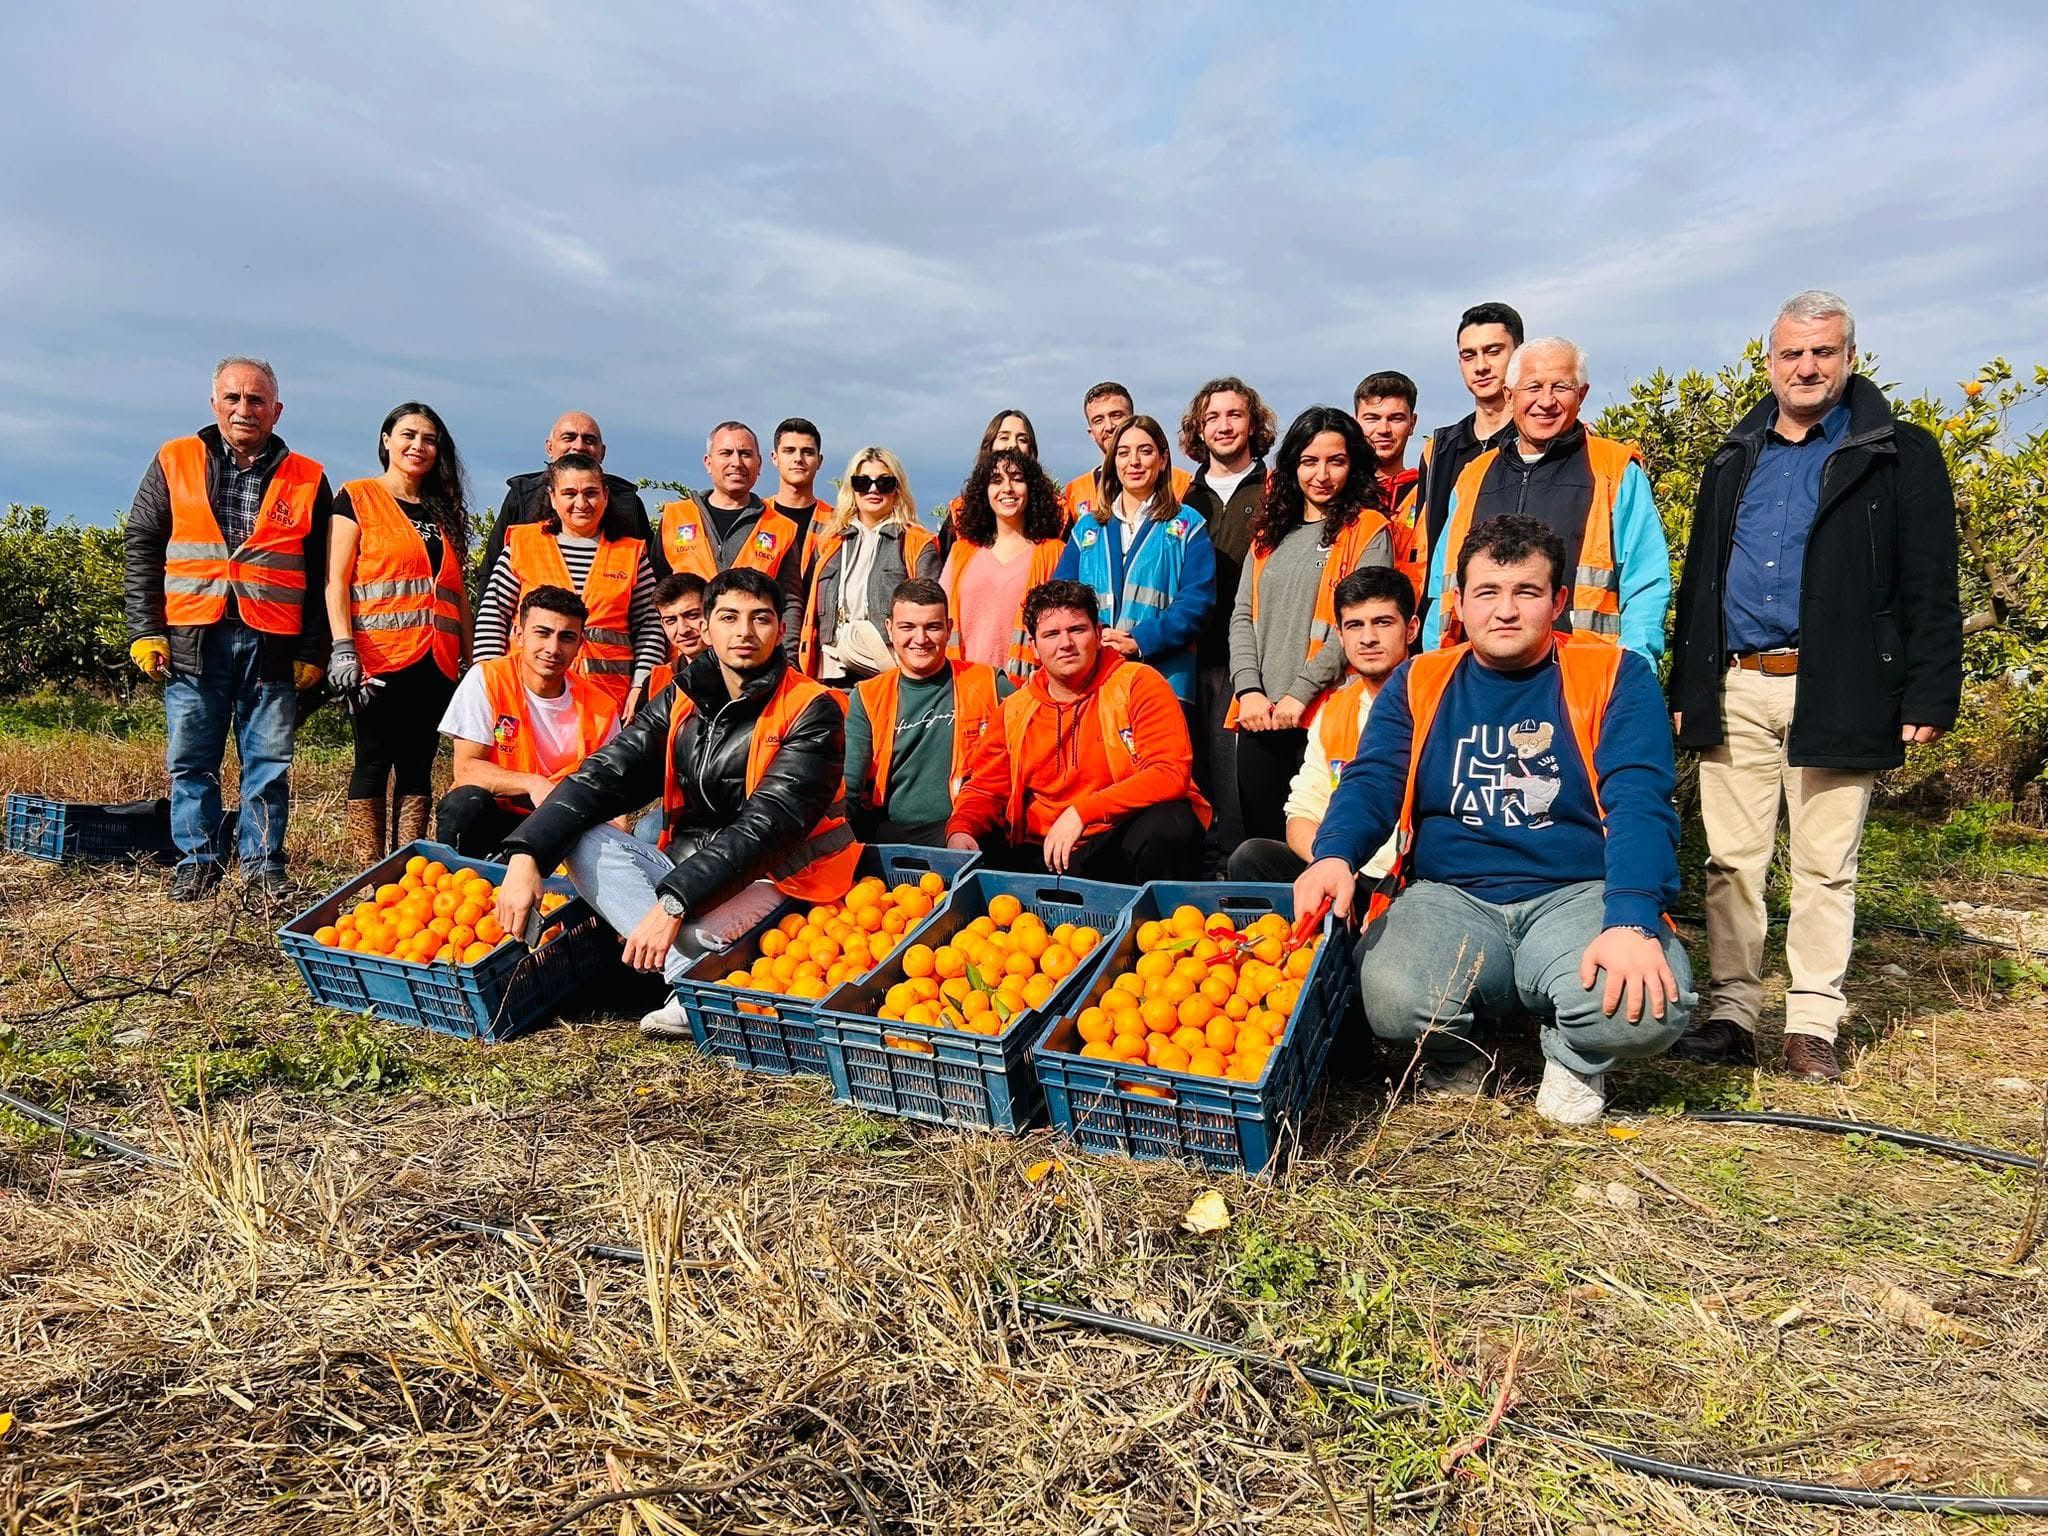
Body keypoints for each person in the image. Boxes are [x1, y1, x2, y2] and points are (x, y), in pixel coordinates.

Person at [1295, 515, 1695, 1126]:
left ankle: (1575, 1055)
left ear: (1558, 601)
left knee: (1643, 1008)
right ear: (1459, 602)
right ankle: (1458, 1057)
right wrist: (1334, 853)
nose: (1505, 611)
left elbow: (1640, 802)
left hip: (1575, 895)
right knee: (1392, 997)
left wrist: (1634, 918)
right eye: (1487, 592)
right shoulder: (1421, 679)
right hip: (1450, 894)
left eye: (1526, 592)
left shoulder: (1614, 674)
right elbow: (1372, 780)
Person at [1668, 290, 1963, 1084]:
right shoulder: (1736, 456)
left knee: (1825, 865)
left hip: (1836, 684)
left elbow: (1931, 580)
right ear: (1770, 362)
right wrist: (1686, 683)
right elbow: (1702, 578)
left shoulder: (1898, 451)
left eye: (1822, 353)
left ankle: (1811, 1023)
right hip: (1735, 683)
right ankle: (1731, 1013)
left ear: (1849, 358)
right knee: (1730, 862)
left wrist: (1931, 692)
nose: (1806, 367)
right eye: (1792, 354)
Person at [490, 568, 854, 1040]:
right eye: (729, 617)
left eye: (760, 618)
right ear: (707, 627)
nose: (744, 632)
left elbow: (767, 829)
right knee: (583, 839)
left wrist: (671, 903)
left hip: (786, 872)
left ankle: (684, 970)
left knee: (684, 930)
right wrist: (528, 855)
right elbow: (603, 774)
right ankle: (690, 976)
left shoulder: (813, 707)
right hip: (694, 864)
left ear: (779, 630)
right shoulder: (684, 696)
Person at [123, 356, 332, 901]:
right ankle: (198, 860)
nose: (245, 409)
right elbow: (143, 544)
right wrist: (147, 629)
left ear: (277, 410)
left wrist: (313, 648)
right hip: (194, 638)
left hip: (273, 643)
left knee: (268, 762)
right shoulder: (176, 459)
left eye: (257, 399)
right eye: (234, 398)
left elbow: (323, 570)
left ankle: (262, 863)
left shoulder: (308, 476)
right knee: (192, 759)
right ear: (213, 402)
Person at [1423, 338, 1670, 661]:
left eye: (1561, 387)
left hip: (1582, 676)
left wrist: (1634, 672)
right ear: (1510, 396)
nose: (1546, 401)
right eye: (1533, 387)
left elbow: (1646, 583)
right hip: (1479, 677)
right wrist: (1439, 667)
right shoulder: (1472, 477)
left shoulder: (1614, 469)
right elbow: (1441, 590)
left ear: (1581, 395)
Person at [946, 580, 1209, 882]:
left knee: (1172, 823)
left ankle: (1157, 921)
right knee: (972, 844)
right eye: (1051, 634)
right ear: (1033, 645)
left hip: (1115, 841)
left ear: (1098, 635)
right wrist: (961, 827)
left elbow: (1169, 773)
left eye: (1077, 630)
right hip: (1040, 851)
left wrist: (1084, 812)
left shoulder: (1138, 683)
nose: (1065, 643)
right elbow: (985, 788)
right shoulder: (1015, 708)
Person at [1229, 406, 1402, 844]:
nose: (1321, 474)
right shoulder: (1269, 533)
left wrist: (1297, 695)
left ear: (1353, 465)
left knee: (1322, 841)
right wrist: (1249, 690)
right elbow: (1243, 617)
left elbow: (1359, 628)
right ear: (1292, 466)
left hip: (1326, 713)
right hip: (1260, 716)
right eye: (1309, 461)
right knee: (1262, 848)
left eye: (1335, 461)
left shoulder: (1368, 530)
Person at [325, 401, 471, 867]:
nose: (418, 446)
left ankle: (403, 868)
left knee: (419, 765)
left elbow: (456, 593)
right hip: (378, 658)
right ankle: (367, 872)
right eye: (408, 435)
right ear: (387, 440)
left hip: (438, 660)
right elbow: (337, 580)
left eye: (429, 439)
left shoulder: (442, 510)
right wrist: (343, 648)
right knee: (373, 759)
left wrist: (468, 659)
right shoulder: (358, 497)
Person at [1227, 565, 1416, 883]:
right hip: (1348, 865)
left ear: (1410, 629)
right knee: (1252, 857)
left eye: (1382, 623)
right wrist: (1330, 861)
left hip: (1414, 874)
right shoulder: (1335, 710)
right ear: (1340, 636)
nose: (1368, 638)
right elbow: (1302, 812)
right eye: (1355, 625)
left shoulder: (1437, 694)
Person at [472, 453, 665, 718]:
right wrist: (488, 682)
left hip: (606, 702)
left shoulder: (631, 554)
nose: (581, 503)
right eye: (569, 493)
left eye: (591, 493)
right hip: (528, 694)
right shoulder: (522, 545)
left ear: (606, 495)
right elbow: (493, 616)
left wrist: (640, 684)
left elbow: (651, 625)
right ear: (553, 497)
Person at [435, 586, 621, 855]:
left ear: (580, 644)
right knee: (465, 803)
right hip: (498, 813)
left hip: (561, 822)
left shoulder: (601, 707)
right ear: (519, 635)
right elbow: (466, 769)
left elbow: (609, 787)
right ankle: (462, 882)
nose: (553, 648)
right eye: (542, 633)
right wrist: (534, 783)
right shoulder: (488, 678)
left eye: (566, 637)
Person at [1179, 376, 1279, 869]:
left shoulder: (1277, 489)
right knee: (1187, 771)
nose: (1223, 426)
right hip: (1183, 655)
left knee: (1235, 778)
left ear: (1253, 423)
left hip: (1245, 657)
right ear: (1198, 427)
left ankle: (1237, 872)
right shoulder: (1179, 495)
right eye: (1212, 417)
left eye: (1235, 415)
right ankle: (1194, 870)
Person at [1053, 414, 1216, 705]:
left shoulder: (1189, 526)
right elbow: (1061, 600)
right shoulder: (1087, 529)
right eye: (1124, 452)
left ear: (1163, 459)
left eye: (1145, 450)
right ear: (1113, 463)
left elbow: (1196, 603)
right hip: (1094, 682)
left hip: (1164, 681)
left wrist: (1141, 639)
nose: (1134, 462)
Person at [845, 578, 1008, 845]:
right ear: (889, 629)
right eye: (907, 627)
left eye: (932, 627)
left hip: (972, 830)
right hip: (891, 835)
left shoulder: (990, 682)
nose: (920, 639)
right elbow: (849, 785)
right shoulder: (866, 696)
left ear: (949, 628)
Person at [792, 446, 940, 686]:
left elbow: (931, 615)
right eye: (862, 482)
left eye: (884, 482)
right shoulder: (829, 543)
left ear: (897, 488)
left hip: (885, 673)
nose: (873, 489)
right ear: (852, 488)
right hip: (828, 672)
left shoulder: (917, 542)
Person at [1414, 303, 1523, 611]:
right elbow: (1427, 547)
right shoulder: (1437, 450)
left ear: (1519, 355)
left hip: (1515, 616)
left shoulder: (1540, 441)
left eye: (1493, 351)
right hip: (1448, 620)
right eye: (1469, 355)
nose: (1481, 366)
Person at [654, 423, 805, 638]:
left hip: (750, 653)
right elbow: (657, 595)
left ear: (759, 464)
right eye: (726, 453)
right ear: (708, 462)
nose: (737, 462)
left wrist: (787, 657)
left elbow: (790, 603)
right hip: (686, 658)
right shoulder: (676, 517)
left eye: (745, 454)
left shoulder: (781, 528)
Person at [942, 447, 1069, 681]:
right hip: (963, 691)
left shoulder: (1054, 553)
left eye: (1017, 479)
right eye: (996, 480)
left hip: (1025, 692)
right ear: (985, 491)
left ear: (1031, 489)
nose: (1007, 488)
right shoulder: (961, 553)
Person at [480, 411, 652, 577]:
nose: (578, 446)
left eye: (589, 440)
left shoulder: (628, 502)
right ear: (549, 447)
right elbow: (491, 567)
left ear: (602, 452)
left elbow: (652, 573)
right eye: (568, 438)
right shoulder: (522, 496)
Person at [1062, 381, 1192, 526]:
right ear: (1091, 433)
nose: (1109, 426)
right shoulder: (1075, 490)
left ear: (1133, 420)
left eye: (1116, 415)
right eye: (1098, 420)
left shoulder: (1180, 482)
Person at [1354, 370, 1427, 599]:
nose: (1383, 430)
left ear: (1412, 423)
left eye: (1395, 418)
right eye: (1372, 418)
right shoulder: (1339, 491)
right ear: (1356, 422)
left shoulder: (1427, 490)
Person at [937, 408, 1041, 564]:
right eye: (1004, 437)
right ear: (990, 445)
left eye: (1022, 439)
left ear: (1031, 450)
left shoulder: (1057, 511)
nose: (1013, 445)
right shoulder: (960, 512)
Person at [767, 417, 832, 558]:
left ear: (819, 461)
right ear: (775, 458)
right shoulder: (755, 516)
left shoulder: (836, 523)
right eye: (789, 451)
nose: (798, 458)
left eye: (807, 452)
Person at [644, 571, 708, 698]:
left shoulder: (741, 673)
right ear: (662, 625)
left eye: (692, 615)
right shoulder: (655, 682)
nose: (683, 630)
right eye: (671, 620)